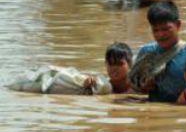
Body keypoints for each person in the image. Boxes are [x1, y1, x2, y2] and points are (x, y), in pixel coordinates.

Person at [7, 43, 135, 95]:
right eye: (110, 64)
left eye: (119, 64)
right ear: (105, 64)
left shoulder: (137, 88)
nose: (114, 69)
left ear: (129, 64)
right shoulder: (102, 86)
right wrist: (86, 83)